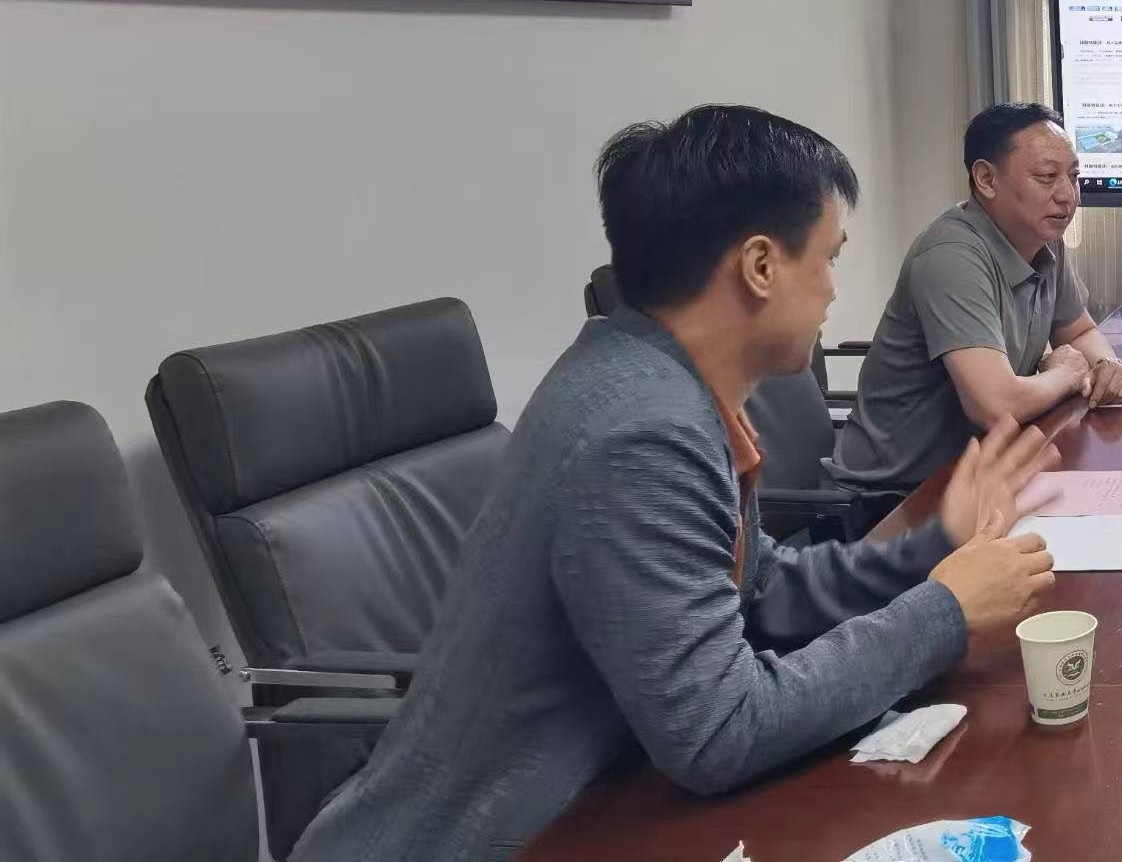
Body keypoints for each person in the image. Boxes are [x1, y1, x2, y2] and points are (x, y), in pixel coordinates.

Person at [292, 106, 1059, 861]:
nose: (832, 291)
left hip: (610, 804)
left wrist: (933, 550)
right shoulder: (641, 428)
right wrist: (943, 613)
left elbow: (761, 590)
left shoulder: (655, 378)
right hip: (506, 839)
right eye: (828, 259)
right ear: (760, 267)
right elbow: (720, 732)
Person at [831, 103, 1122, 497]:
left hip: (982, 474)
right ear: (986, 179)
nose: (1067, 195)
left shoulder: (1043, 238)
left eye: (1073, 176)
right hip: (896, 497)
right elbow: (996, 407)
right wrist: (1066, 375)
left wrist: (1106, 366)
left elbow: (1078, 332)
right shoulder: (952, 255)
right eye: (1047, 177)